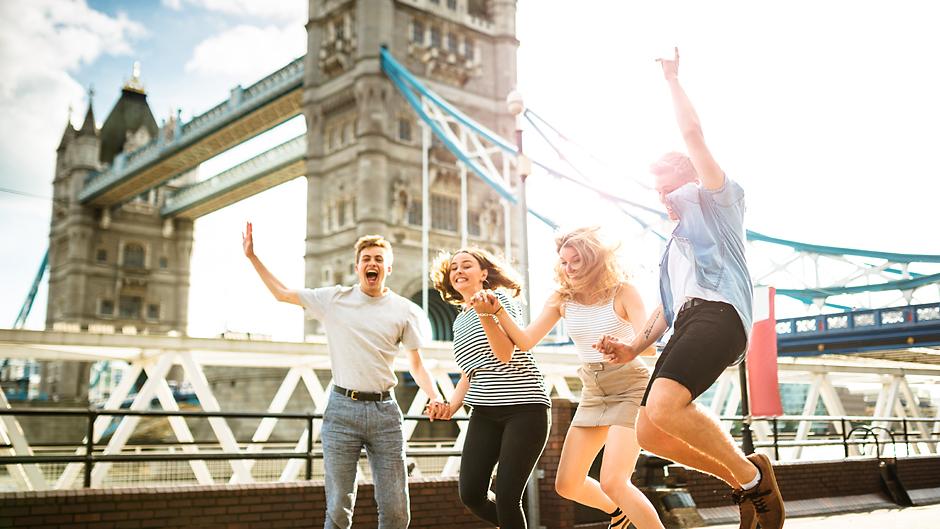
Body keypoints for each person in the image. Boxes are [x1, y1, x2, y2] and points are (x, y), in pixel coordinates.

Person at [594, 48, 786, 529]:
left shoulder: (720, 202)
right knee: (651, 431)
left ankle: (757, 486)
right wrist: (632, 346)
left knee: (664, 405)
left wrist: (672, 79)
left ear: (692, 177)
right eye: (657, 191)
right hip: (689, 321)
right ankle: (746, 480)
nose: (665, 197)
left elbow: (692, 134)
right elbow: (665, 309)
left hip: (720, 315)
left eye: (671, 185)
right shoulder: (673, 245)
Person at [242, 222, 445, 529]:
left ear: (388, 267)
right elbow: (282, 294)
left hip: (385, 414)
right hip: (341, 411)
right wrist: (252, 257)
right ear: (357, 266)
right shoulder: (333, 299)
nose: (372, 263)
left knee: (396, 511)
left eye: (379, 259)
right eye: (367, 259)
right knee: (338, 508)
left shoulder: (405, 311)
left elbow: (416, 365)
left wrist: (435, 396)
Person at [470, 227, 664, 529]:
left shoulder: (624, 291)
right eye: (563, 261)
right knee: (568, 484)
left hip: (631, 386)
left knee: (614, 481)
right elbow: (525, 340)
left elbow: (649, 345)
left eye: (576, 261)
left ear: (596, 262)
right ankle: (620, 512)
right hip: (594, 390)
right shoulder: (562, 298)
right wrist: (496, 311)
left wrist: (622, 346)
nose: (568, 268)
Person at [427, 248, 551, 529]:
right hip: (484, 411)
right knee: (471, 494)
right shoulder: (459, 321)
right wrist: (450, 406)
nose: (458, 270)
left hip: (524, 408)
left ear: (483, 274)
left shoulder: (501, 300)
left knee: (508, 497)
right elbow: (469, 372)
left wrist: (487, 314)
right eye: (453, 267)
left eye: (466, 265)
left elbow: (505, 353)